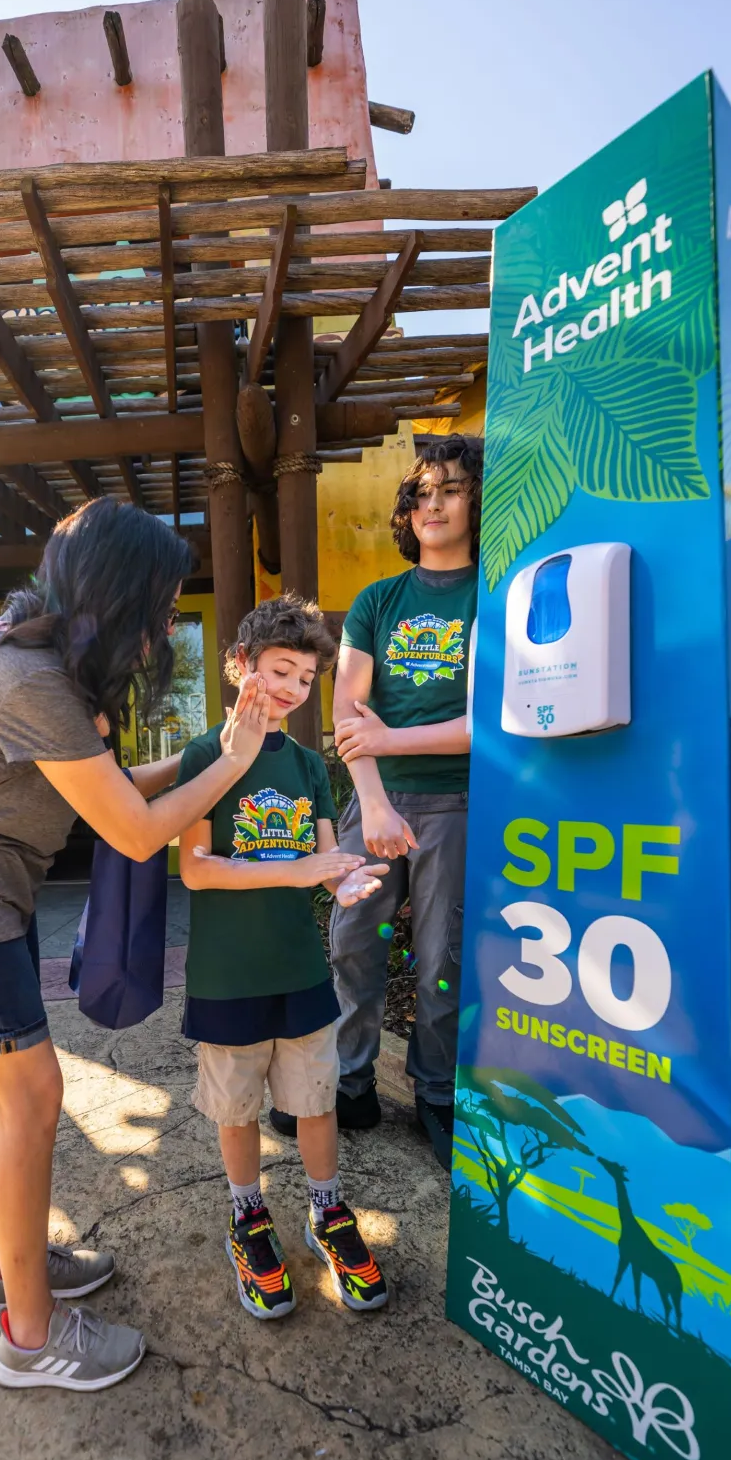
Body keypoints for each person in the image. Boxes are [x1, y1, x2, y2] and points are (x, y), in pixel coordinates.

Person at [0, 500, 273, 1394]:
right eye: (164, 604)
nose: (167, 623)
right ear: (119, 592)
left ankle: (6, 1271)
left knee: (5, 1093)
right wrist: (237, 763)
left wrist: (213, 750)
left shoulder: (23, 648)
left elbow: (101, 790)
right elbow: (134, 833)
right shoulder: (30, 681)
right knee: (34, 1098)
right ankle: (29, 1337)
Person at [270, 434, 482, 1169]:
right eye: (423, 490)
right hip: (376, 806)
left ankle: (435, 1093)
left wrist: (392, 743)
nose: (433, 503)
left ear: (476, 500)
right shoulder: (378, 601)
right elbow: (349, 713)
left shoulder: (492, 591)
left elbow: (482, 725)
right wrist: (377, 803)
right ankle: (349, 1083)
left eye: (451, 489)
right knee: (353, 946)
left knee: (440, 960)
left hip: (457, 807)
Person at [177, 595, 391, 1318]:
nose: (294, 689)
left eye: (305, 677)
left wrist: (347, 875)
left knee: (316, 1101)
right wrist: (293, 871)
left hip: (303, 970)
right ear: (242, 667)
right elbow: (197, 869)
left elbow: (326, 855)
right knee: (236, 1109)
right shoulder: (208, 755)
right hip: (227, 975)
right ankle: (248, 1218)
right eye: (280, 671)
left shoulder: (304, 762)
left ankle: (327, 1212)